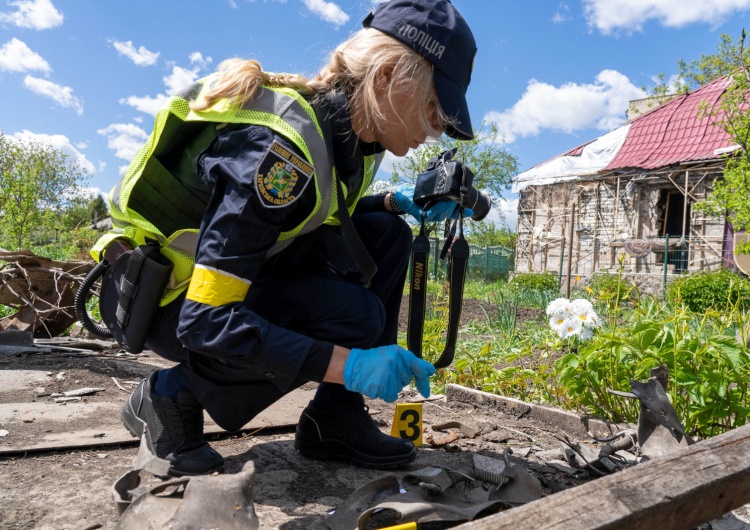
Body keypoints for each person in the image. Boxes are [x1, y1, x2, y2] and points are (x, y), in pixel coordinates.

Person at [91, 0, 477, 477]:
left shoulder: (348, 135)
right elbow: (207, 322)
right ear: (387, 78)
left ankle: (334, 418)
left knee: (388, 235)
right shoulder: (279, 157)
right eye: (435, 108)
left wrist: (397, 202)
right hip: (166, 302)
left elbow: (321, 212)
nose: (437, 130)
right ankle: (170, 396)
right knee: (355, 315)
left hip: (225, 282)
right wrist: (348, 365)